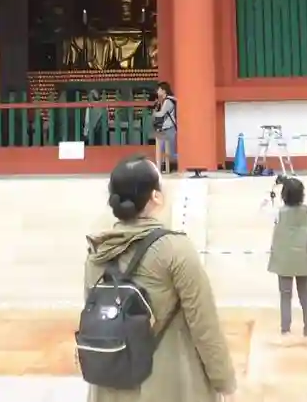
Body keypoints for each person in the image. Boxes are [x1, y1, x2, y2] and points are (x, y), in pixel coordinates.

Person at [85, 156, 236, 401]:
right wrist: (224, 382)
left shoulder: (98, 252)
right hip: (166, 385)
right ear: (156, 196)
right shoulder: (175, 249)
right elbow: (204, 323)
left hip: (110, 385)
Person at [266, 176, 307, 338]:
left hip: (284, 260)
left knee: (285, 296)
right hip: (303, 257)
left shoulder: (280, 212)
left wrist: (275, 187)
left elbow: (267, 210)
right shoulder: (306, 210)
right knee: (305, 296)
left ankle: (285, 330)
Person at [150, 82, 177, 173]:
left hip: (169, 128)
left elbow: (161, 114)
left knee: (169, 152)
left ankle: (184, 160)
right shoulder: (163, 101)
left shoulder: (168, 101)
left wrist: (154, 113)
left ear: (164, 90)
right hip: (164, 128)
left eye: (159, 89)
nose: (157, 91)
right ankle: (160, 169)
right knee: (161, 149)